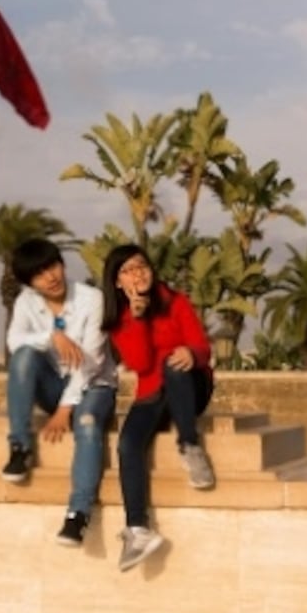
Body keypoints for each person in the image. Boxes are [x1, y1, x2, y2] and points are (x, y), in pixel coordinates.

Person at [100, 244, 215, 572]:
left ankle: (190, 446)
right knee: (127, 444)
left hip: (192, 385)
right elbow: (139, 362)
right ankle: (138, 529)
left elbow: (202, 346)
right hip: (152, 394)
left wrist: (192, 355)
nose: (138, 273)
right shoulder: (120, 319)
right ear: (118, 283)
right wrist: (136, 319)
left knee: (172, 364)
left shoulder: (175, 301)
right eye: (128, 270)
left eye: (141, 266)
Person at [3, 238, 119, 547]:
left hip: (94, 385)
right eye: (39, 274)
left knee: (88, 423)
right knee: (25, 356)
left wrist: (66, 410)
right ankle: (20, 448)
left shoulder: (92, 299)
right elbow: (15, 343)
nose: (50, 277)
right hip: (54, 384)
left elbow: (91, 362)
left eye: (52, 266)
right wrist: (52, 336)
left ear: (62, 264)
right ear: (30, 282)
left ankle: (78, 514)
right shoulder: (26, 302)